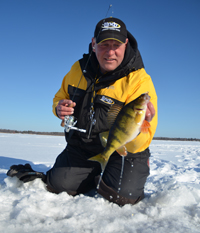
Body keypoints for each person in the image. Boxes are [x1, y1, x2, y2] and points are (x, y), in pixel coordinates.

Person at [7, 17, 157, 206]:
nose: (110, 52)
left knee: (122, 198)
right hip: (84, 146)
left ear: (125, 45)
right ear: (93, 44)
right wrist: (58, 108)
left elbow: (143, 139)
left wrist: (142, 124)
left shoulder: (139, 81)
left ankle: (123, 168)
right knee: (58, 185)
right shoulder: (78, 69)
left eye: (116, 45)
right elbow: (59, 97)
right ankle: (93, 172)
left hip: (125, 150)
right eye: (104, 44)